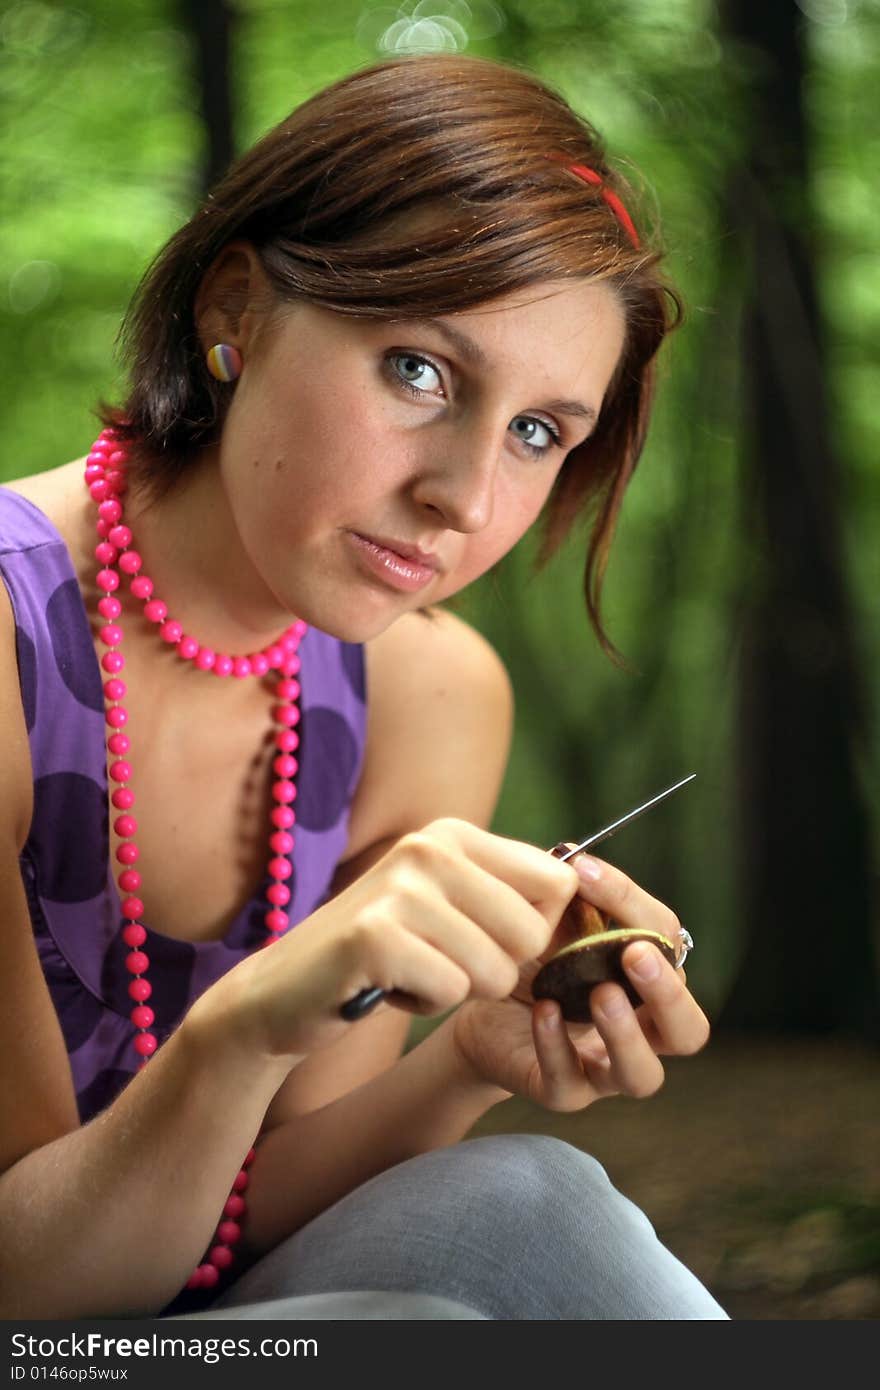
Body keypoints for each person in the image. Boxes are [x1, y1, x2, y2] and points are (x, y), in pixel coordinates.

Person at [0, 53, 727, 1321]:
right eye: (420, 371)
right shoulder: (14, 639)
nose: (467, 496)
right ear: (235, 309)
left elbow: (256, 1211)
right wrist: (243, 1028)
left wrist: (466, 1061)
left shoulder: (428, 691)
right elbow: (35, 1295)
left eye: (538, 432)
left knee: (536, 1199)